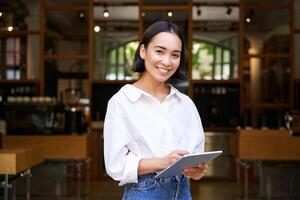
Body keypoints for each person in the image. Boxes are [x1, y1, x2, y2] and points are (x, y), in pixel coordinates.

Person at [104, 21, 207, 200]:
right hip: (144, 193)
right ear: (143, 51)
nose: (167, 61)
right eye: (159, 51)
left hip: (182, 192)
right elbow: (115, 166)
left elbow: (196, 161)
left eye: (175, 55)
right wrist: (161, 163)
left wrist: (197, 171)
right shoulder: (122, 102)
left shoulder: (185, 104)